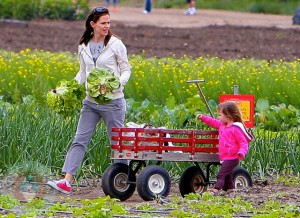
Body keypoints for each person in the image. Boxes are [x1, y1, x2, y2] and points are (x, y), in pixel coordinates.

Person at [47, 6, 132, 195]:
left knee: (117, 143)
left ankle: (125, 180)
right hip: (90, 102)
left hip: (113, 102)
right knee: (79, 140)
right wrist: (68, 88)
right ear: (92, 24)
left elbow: (126, 69)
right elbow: (83, 72)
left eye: (109, 23)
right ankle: (67, 181)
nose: (107, 26)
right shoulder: (83, 45)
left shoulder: (116, 44)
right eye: (103, 23)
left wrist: (118, 82)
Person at [197, 101, 253, 195]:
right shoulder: (222, 125)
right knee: (228, 176)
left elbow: (243, 143)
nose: (218, 117)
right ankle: (230, 190)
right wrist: (203, 117)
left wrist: (242, 152)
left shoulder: (235, 128)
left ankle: (215, 190)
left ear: (228, 116)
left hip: (233, 157)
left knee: (221, 174)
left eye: (220, 115)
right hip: (225, 157)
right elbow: (213, 122)